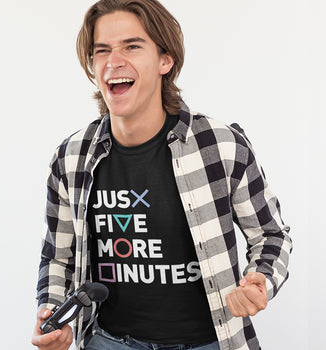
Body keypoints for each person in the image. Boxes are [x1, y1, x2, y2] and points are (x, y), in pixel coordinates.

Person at [31, 1, 292, 349]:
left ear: (165, 61)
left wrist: (261, 279)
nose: (114, 61)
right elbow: (58, 255)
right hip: (109, 342)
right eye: (102, 50)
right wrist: (52, 313)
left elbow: (271, 235)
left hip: (210, 342)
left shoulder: (221, 145)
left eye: (132, 46)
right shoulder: (71, 157)